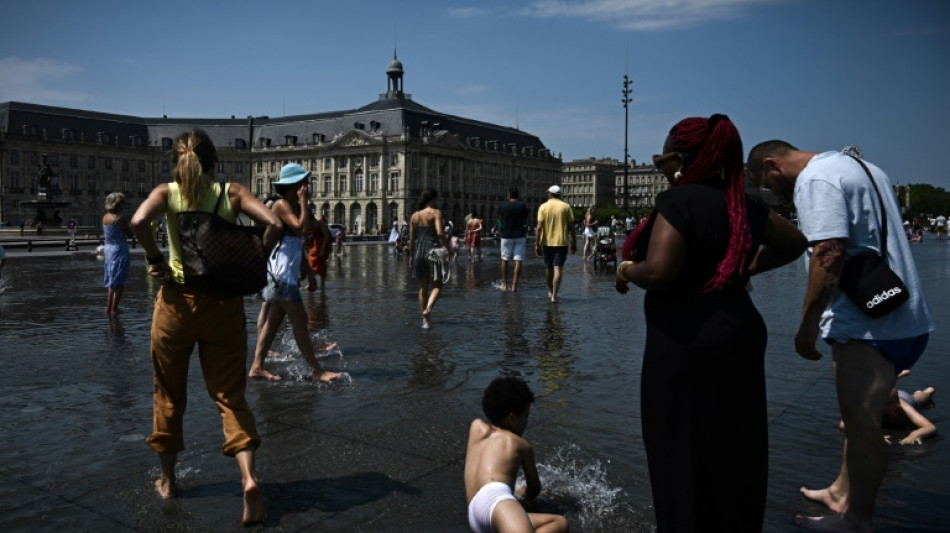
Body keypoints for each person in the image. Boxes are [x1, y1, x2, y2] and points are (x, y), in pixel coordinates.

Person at [615, 115, 808, 532]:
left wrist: (626, 270)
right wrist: (740, 269)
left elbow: (660, 271)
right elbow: (795, 243)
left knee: (678, 449)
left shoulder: (679, 201)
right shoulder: (743, 203)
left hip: (685, 340)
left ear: (682, 159)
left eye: (661, 159)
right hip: (739, 333)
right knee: (736, 446)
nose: (660, 168)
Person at [747, 140, 933, 532]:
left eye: (766, 183)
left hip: (868, 325)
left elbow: (828, 253)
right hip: (903, 312)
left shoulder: (816, 179)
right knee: (856, 416)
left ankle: (856, 520)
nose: (772, 193)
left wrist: (807, 324)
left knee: (863, 423)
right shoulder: (862, 167)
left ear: (772, 165)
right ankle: (841, 492)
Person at [130, 129, 282, 525]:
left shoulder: (167, 194)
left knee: (168, 395)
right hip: (224, 308)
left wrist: (156, 259)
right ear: (215, 162)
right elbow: (276, 224)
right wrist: (252, 261)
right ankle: (249, 479)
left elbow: (137, 220)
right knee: (230, 397)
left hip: (177, 305)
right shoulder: (231, 192)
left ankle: (167, 481)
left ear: (178, 163)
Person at [248, 164, 342, 382]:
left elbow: (300, 237)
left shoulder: (288, 204)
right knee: (299, 318)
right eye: (303, 183)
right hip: (280, 274)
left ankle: (257, 366)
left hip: (283, 273)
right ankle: (317, 371)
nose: (306, 186)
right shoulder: (281, 205)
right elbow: (301, 228)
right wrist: (303, 200)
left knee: (274, 320)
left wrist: (302, 267)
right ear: (294, 185)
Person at [464, 377, 568, 533]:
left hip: (474, 512)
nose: (526, 422)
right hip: (499, 503)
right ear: (512, 418)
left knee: (559, 522)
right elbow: (534, 490)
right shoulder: (520, 445)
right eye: (526, 416)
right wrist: (522, 493)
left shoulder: (476, 427)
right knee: (560, 522)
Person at [409, 188, 450, 329]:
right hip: (433, 251)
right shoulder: (435, 212)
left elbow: (411, 239)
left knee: (423, 288)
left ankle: (425, 321)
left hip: (419, 253)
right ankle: (428, 310)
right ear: (432, 199)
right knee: (438, 285)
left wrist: (410, 256)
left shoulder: (414, 216)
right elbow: (439, 232)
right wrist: (447, 247)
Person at [535, 186, 576, 303]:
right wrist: (574, 242)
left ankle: (550, 290)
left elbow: (539, 227)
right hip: (562, 242)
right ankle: (554, 295)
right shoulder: (566, 207)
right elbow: (571, 227)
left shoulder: (543, 207)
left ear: (550, 194)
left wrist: (536, 244)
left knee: (549, 268)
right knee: (558, 268)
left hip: (547, 242)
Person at [102, 192, 134, 315]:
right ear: (118, 205)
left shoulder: (105, 217)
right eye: (122, 203)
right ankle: (115, 308)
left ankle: (108, 308)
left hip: (109, 250)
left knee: (111, 280)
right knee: (120, 280)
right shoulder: (119, 219)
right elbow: (130, 234)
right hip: (120, 250)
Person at [499, 188, 530, 292]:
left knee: (505, 259)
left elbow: (499, 220)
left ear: (509, 195)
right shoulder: (523, 206)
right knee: (518, 259)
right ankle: (514, 286)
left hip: (506, 235)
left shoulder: (503, 206)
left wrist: (500, 229)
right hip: (520, 235)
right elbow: (526, 220)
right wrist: (524, 229)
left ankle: (504, 284)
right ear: (517, 196)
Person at [302, 211, 332, 291]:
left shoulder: (319, 222)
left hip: (324, 243)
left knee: (321, 263)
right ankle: (311, 284)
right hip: (314, 243)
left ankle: (322, 285)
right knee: (311, 262)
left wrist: (323, 248)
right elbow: (305, 234)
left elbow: (327, 235)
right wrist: (305, 240)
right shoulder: (306, 223)